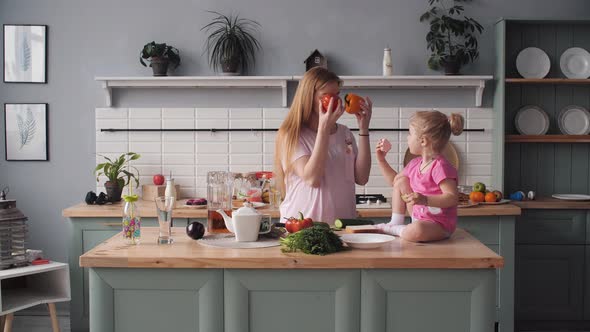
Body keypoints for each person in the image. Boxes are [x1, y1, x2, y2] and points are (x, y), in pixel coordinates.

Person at [274, 67, 373, 224]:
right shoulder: (291, 134)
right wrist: (324, 128)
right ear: (309, 97)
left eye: (337, 95)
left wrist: (364, 128)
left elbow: (362, 178)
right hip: (301, 228)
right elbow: (312, 178)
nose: (335, 102)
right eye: (327, 96)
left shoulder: (345, 133)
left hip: (342, 225)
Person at [375, 110, 464, 242]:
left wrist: (425, 200)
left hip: (439, 225)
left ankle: (396, 229)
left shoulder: (441, 167)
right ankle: (395, 222)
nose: (407, 138)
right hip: (419, 219)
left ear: (423, 141)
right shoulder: (415, 164)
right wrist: (381, 160)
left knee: (417, 230)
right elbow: (395, 183)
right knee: (401, 180)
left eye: (410, 134)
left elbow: (452, 198)